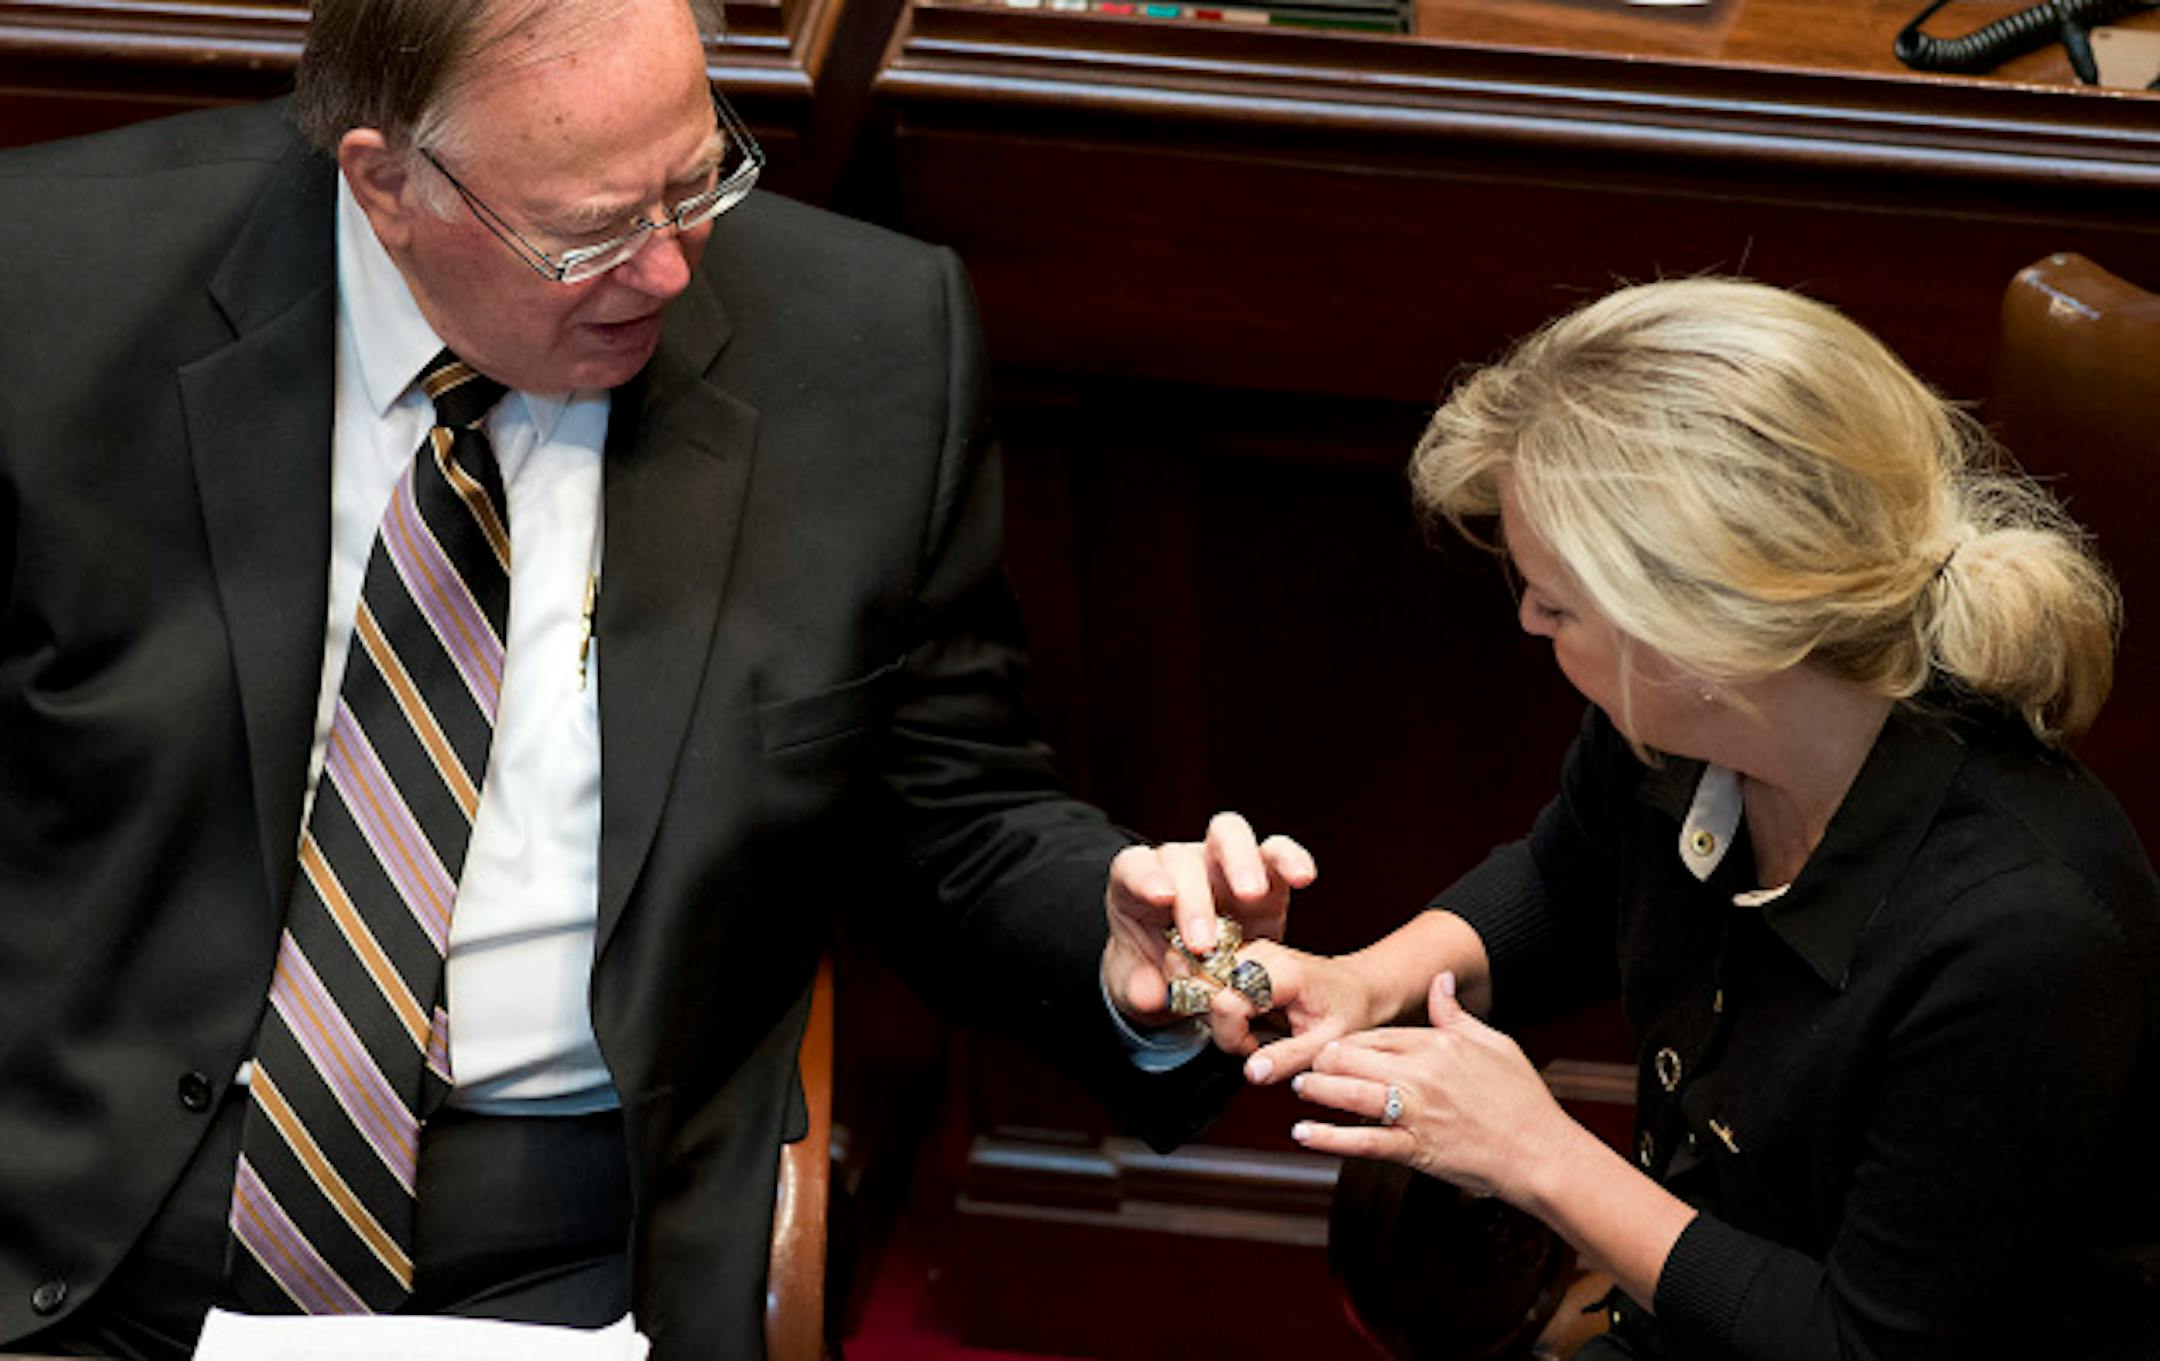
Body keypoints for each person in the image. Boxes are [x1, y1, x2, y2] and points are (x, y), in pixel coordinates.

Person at [0, 0, 1312, 1355]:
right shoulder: (45, 291)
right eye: (589, 228)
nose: (672, 269)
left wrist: (1113, 948)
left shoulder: (862, 350)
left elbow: (957, 822)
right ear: (384, 180)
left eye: (699, 181)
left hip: (569, 1243)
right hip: (72, 1214)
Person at [1224, 279, 2160, 1357]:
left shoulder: (2024, 935)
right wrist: (1362, 978)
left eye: (1557, 601)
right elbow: (1565, 884)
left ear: (1704, 637)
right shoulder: (1684, 733)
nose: (1528, 617)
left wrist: (1539, 1155)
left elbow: (1862, 1343)